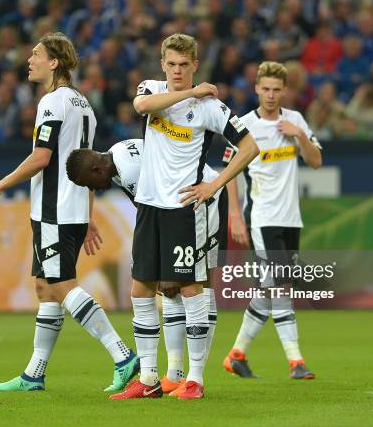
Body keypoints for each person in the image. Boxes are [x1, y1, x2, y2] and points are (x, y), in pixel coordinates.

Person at [0, 32, 138, 394]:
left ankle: (122, 356)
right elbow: (90, 167)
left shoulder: (52, 102)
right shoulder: (84, 105)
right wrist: (90, 213)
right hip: (71, 209)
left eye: (36, 54)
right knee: (45, 288)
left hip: (54, 211)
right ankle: (34, 374)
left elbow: (42, 157)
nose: (29, 59)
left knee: (63, 285)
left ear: (54, 62)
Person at [104, 33, 259, 400]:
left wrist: (215, 183)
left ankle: (195, 380)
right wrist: (191, 93)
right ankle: (149, 379)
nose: (176, 71)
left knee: (190, 289)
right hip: (148, 206)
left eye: (183, 66)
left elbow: (250, 145)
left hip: (182, 210)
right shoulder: (155, 90)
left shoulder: (210, 109)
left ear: (194, 65)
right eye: (171, 64)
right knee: (141, 288)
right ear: (162, 64)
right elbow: (141, 106)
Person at [66, 138, 227, 396]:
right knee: (156, 289)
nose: (94, 189)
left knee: (198, 283)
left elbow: (162, 204)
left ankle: (195, 378)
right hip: (177, 207)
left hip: (201, 200)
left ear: (97, 169)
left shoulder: (130, 172)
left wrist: (166, 264)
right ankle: (170, 376)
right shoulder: (116, 155)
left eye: (89, 184)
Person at [222, 61, 322, 380]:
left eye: (276, 90)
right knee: (280, 286)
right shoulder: (244, 126)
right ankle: (296, 361)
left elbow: (316, 161)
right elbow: (230, 174)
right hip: (262, 218)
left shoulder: (295, 121)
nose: (270, 95)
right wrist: (235, 216)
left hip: (291, 219)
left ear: (284, 91)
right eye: (265, 88)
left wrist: (300, 137)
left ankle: (236, 354)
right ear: (256, 89)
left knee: (270, 288)